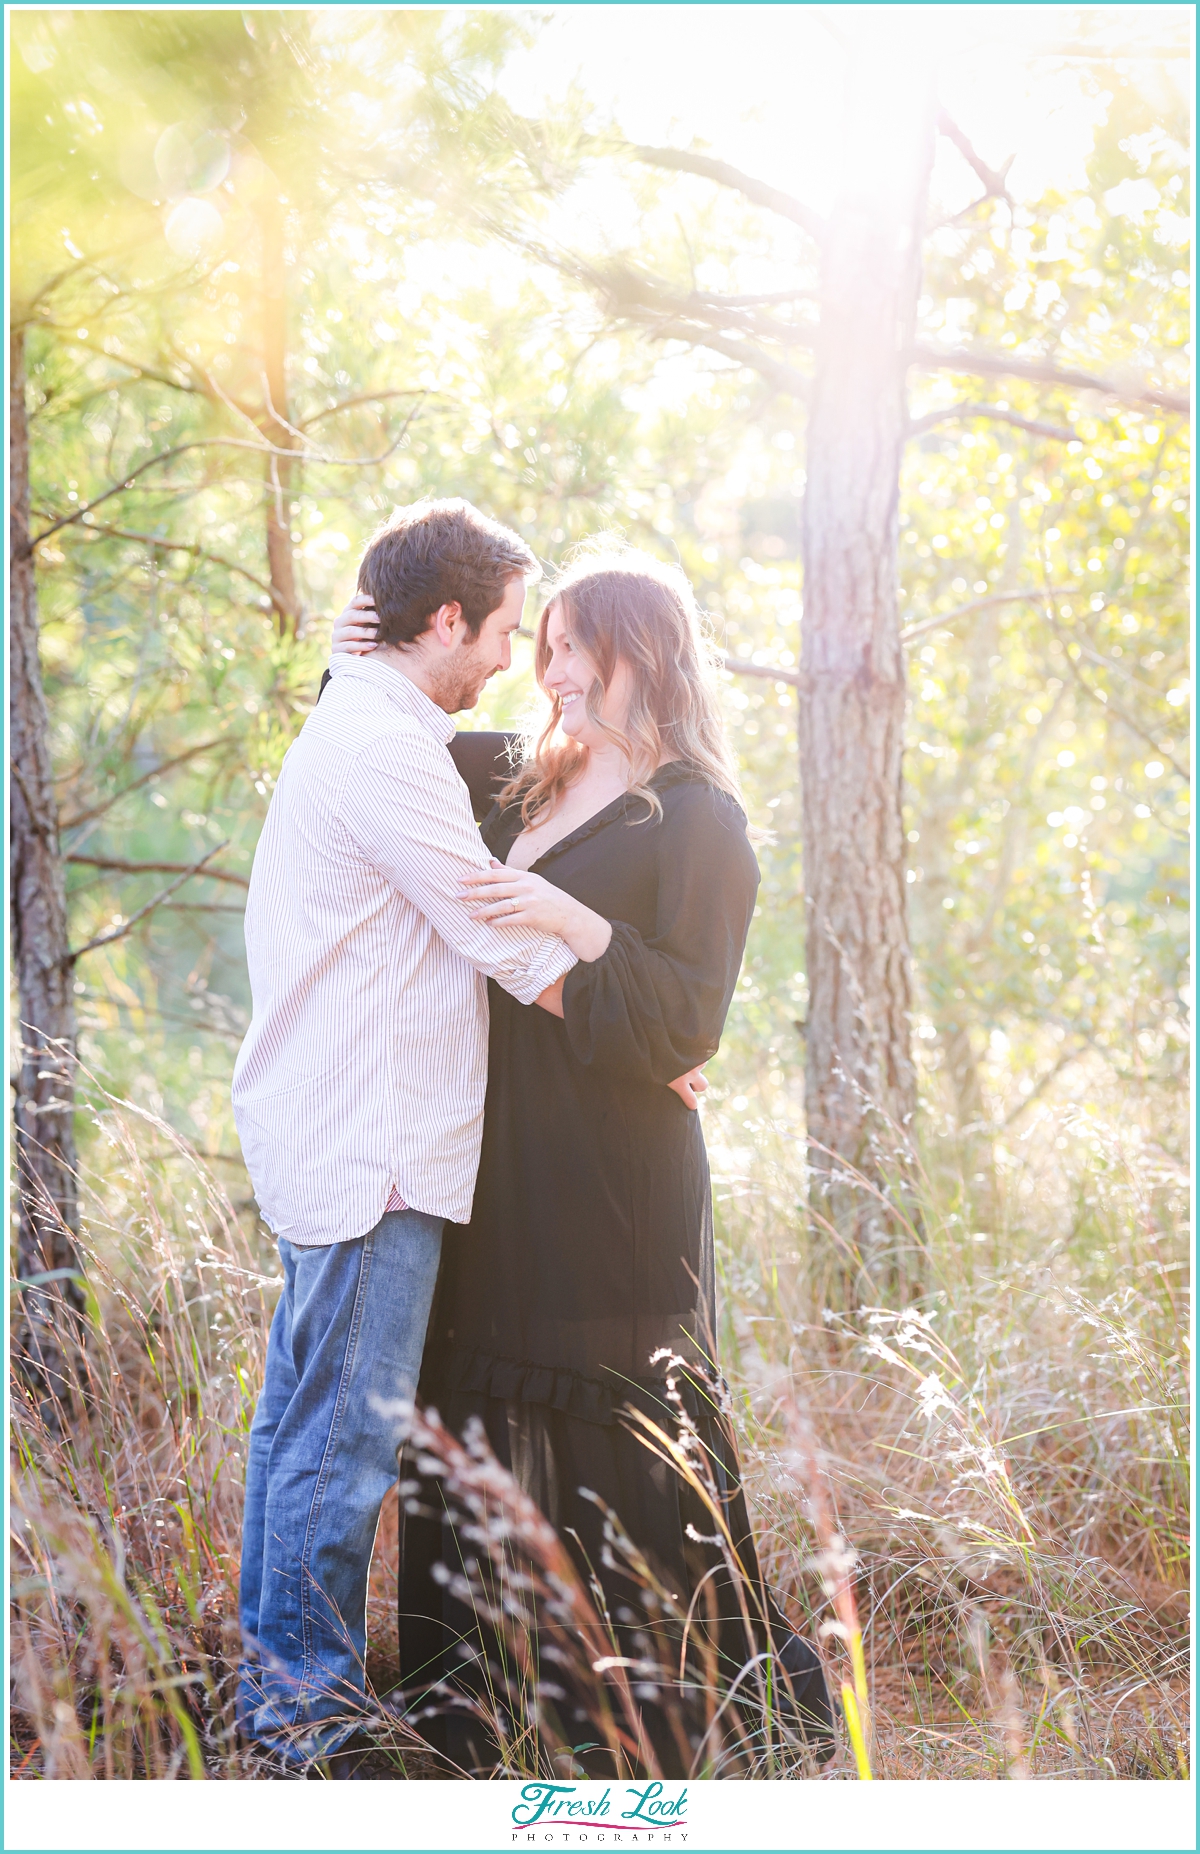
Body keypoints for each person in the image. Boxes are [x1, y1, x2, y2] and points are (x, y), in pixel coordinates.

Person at [332, 545, 833, 1776]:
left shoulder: (701, 818)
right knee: (476, 1411)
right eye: (536, 642)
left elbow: (683, 1021)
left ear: (639, 653)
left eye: (567, 646)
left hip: (620, 1177)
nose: (542, 669)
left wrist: (568, 917)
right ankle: (481, 1702)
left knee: (628, 1431)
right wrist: (361, 629)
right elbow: (378, 716)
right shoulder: (503, 776)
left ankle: (684, 1710)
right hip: (497, 1157)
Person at [231, 499, 594, 1776]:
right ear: (443, 620)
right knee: (341, 1449)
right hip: (374, 1148)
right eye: (499, 631)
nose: (507, 657)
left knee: (299, 1434)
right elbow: (492, 923)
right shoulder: (384, 750)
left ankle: (276, 1696)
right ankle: (306, 1724)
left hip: (335, 1134)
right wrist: (647, 1028)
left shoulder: (364, 717)